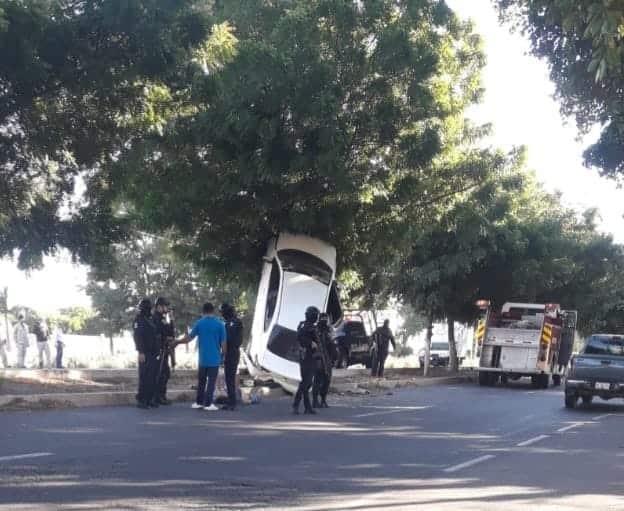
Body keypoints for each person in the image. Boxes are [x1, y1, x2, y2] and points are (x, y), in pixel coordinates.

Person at [177, 303, 227, 412]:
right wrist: (223, 356)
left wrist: (177, 342)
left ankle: (198, 402)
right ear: (213, 311)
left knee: (202, 381)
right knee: (211, 382)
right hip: (214, 359)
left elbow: (189, 338)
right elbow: (223, 343)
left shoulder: (199, 323)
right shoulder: (220, 324)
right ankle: (208, 404)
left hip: (202, 359)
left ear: (203, 311)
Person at [293, 306, 320, 415]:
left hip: (309, 357)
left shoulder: (306, 325)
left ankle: (304, 406)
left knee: (306, 383)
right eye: (316, 315)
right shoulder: (307, 326)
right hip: (307, 357)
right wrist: (310, 343)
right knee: (306, 382)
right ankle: (299, 405)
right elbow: (300, 338)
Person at [133, 298, 160, 409]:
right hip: (144, 353)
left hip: (153, 353)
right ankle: (142, 399)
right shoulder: (138, 320)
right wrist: (141, 352)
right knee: (144, 376)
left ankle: (149, 399)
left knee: (152, 377)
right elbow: (138, 337)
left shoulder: (150, 320)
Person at [220, 303, 243, 411]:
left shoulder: (228, 324)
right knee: (231, 377)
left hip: (230, 352)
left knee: (229, 378)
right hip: (236, 351)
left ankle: (231, 402)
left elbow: (226, 340)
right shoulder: (238, 322)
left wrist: (223, 352)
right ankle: (231, 401)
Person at [153, 297, 174, 405]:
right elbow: (161, 334)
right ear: (159, 306)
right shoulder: (155, 318)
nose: (167, 308)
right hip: (159, 350)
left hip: (164, 349)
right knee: (161, 374)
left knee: (165, 373)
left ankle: (162, 395)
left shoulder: (163, 318)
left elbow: (170, 333)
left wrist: (172, 320)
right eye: (165, 306)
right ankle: (158, 397)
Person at [313, 313, 336, 408]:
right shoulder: (315, 330)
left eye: (325, 319)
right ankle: (315, 401)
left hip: (327, 359)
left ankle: (323, 400)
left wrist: (334, 358)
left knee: (326, 381)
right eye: (323, 319)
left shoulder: (328, 331)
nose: (324, 321)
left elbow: (332, 346)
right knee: (317, 381)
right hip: (318, 359)